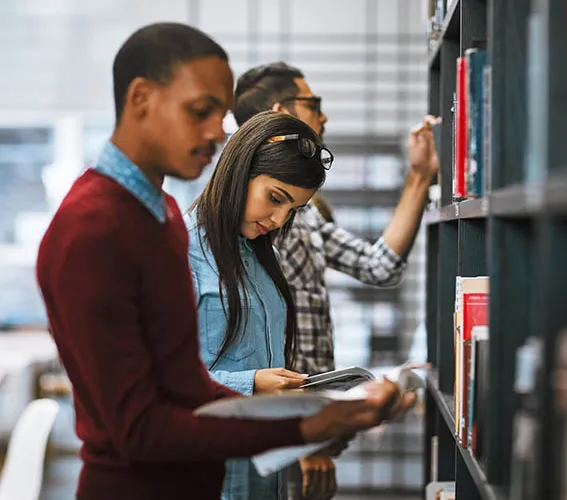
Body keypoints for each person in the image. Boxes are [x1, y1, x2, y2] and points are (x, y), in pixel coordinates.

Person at [36, 23, 414, 500]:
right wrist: (306, 425)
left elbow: (186, 390)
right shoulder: (93, 229)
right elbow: (141, 430)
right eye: (201, 112)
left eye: (220, 115)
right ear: (141, 98)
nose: (218, 133)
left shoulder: (160, 214)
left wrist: (315, 416)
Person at [233, 62, 440, 497]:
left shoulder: (299, 214)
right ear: (280, 112)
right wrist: (299, 440)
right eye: (314, 105)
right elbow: (249, 351)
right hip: (284, 438)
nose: (324, 117)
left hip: (311, 433)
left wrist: (420, 176)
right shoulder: (251, 219)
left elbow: (379, 266)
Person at [187, 110, 335, 500]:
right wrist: (251, 384)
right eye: (275, 198)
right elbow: (160, 382)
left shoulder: (260, 257)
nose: (279, 218)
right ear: (240, 170)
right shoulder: (180, 252)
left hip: (263, 468)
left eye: (293, 210)